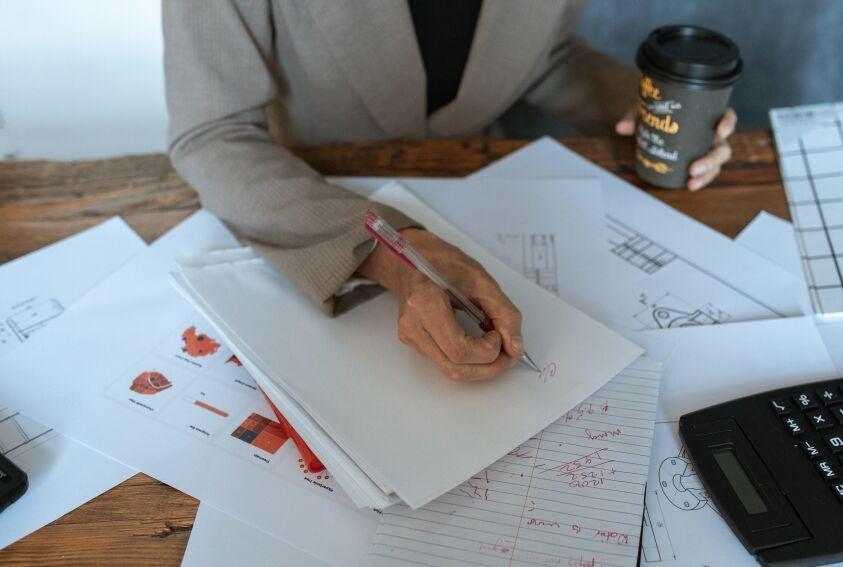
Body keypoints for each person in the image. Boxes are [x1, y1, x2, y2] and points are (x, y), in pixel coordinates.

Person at [163, 0, 737, 381]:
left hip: (483, 187)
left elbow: (541, 56)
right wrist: (389, 255)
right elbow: (212, 134)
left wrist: (655, 108)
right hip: (311, 201)